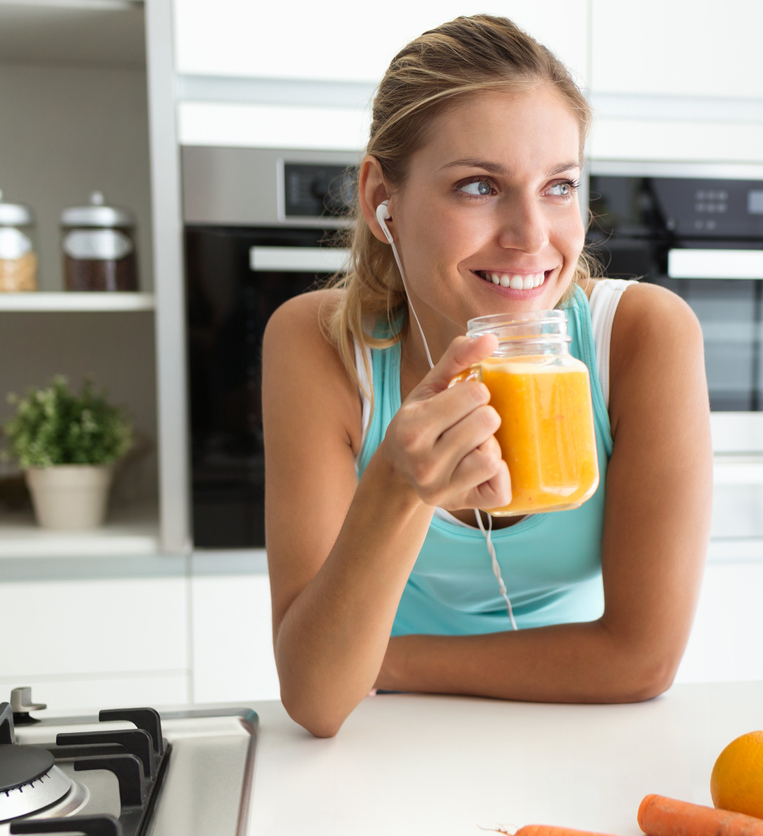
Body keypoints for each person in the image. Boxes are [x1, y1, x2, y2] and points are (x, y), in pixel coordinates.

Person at [262, 14, 713, 738]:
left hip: (575, 733)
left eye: (559, 186)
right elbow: (316, 697)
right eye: (478, 186)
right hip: (387, 746)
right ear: (383, 197)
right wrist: (397, 485)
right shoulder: (317, 345)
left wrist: (388, 663)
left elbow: (640, 661)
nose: (532, 236)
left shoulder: (641, 339)